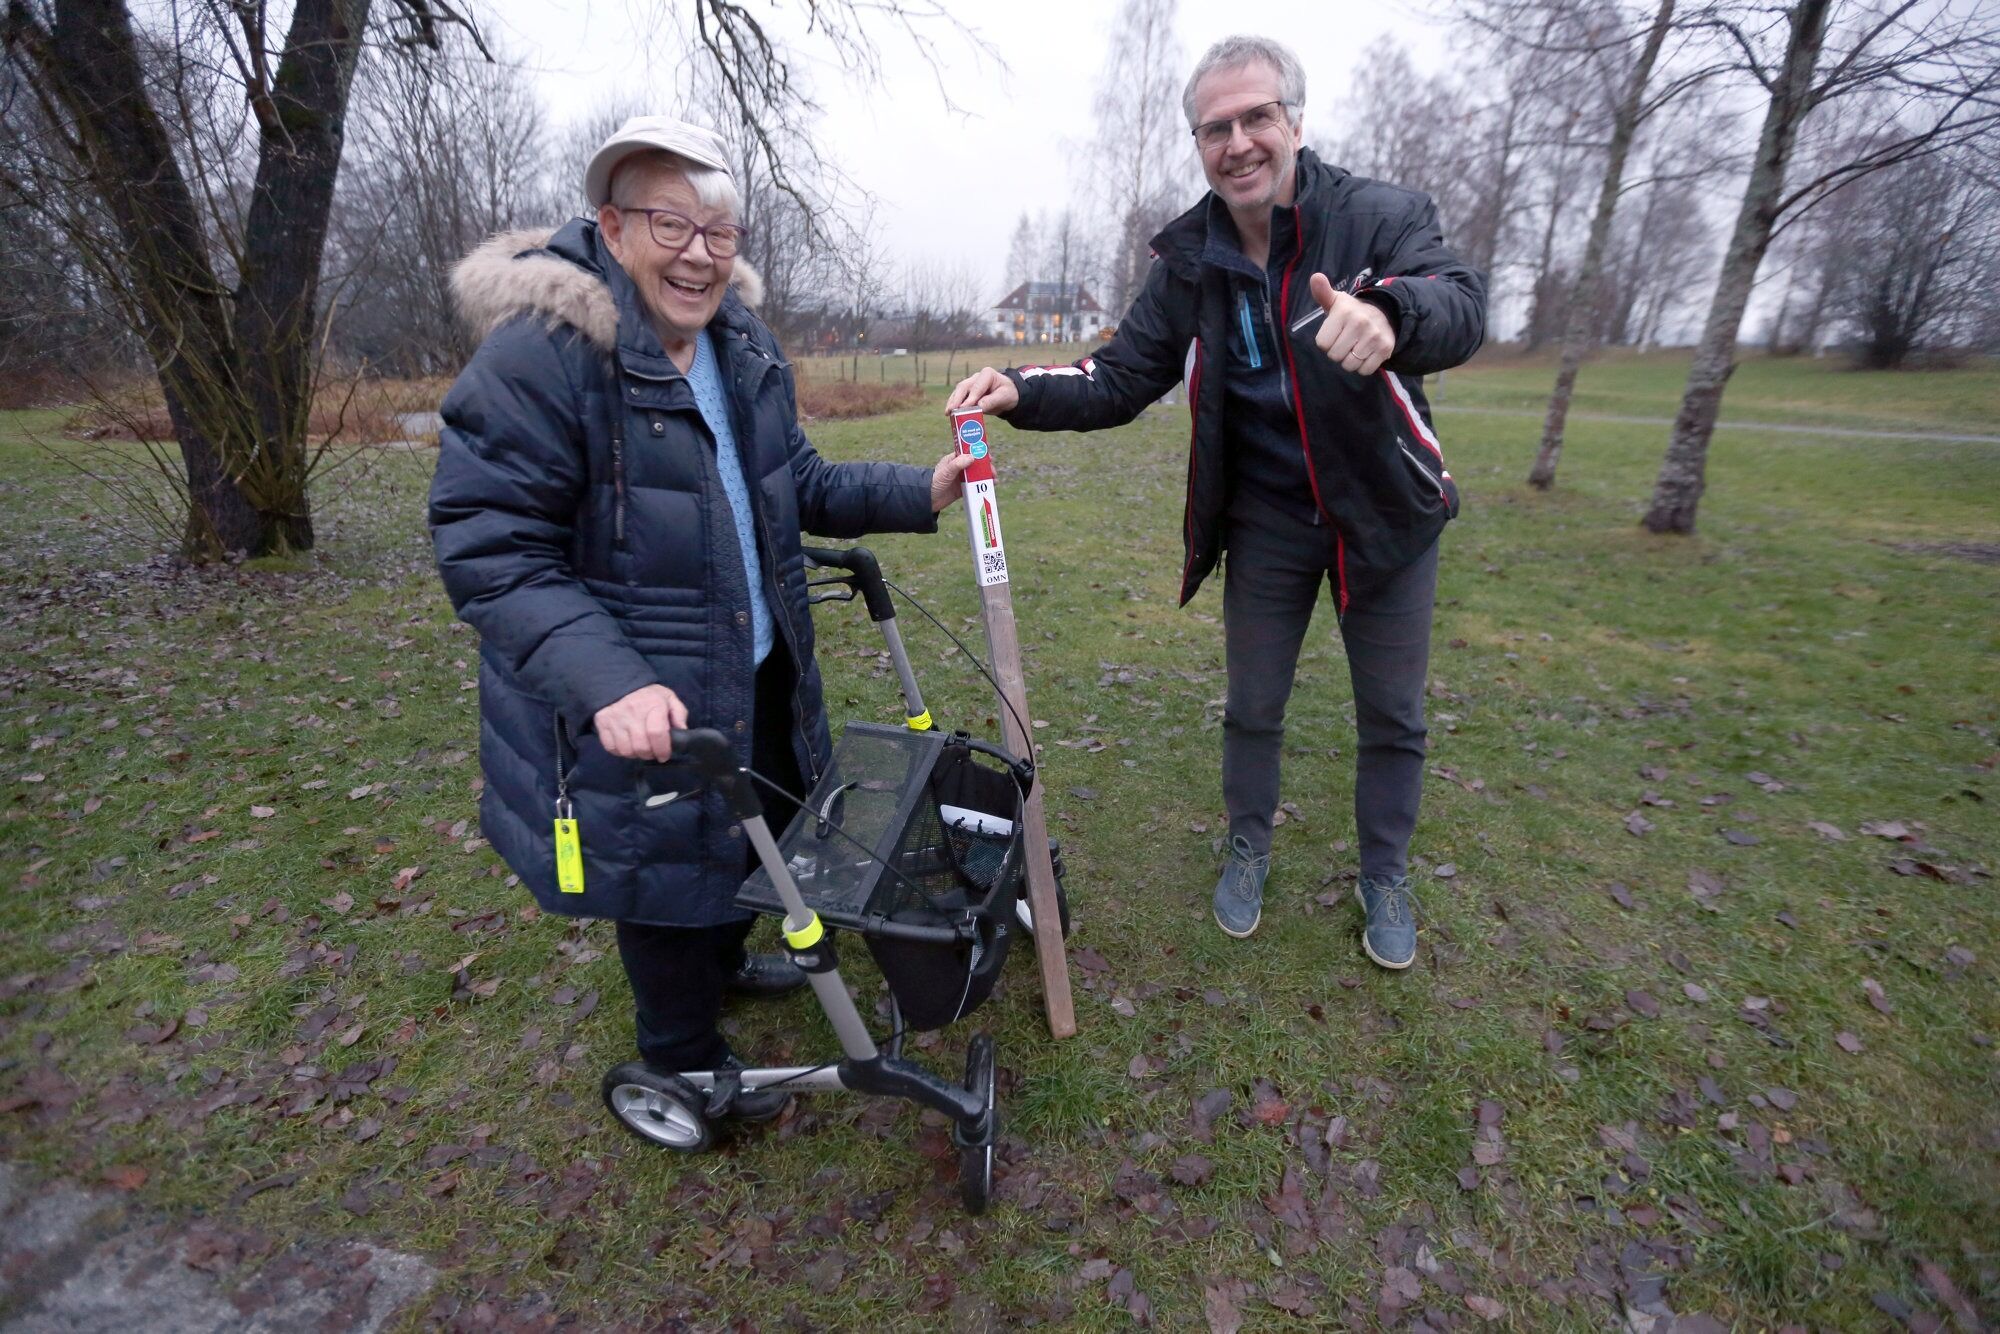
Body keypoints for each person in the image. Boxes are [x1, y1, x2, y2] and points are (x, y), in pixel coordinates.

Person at [431, 116, 974, 1121]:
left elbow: (792, 481)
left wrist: (920, 490)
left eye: (716, 230)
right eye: (668, 223)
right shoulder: (543, 358)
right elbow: (491, 546)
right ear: (610, 226)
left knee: (750, 830)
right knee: (664, 875)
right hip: (634, 693)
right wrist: (609, 680)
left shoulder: (740, 340)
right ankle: (677, 1058)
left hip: (751, 667)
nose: (697, 252)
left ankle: (723, 968)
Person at [948, 35, 1486, 969]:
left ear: (1294, 123)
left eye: (1256, 119)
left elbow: (1460, 301)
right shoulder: (1191, 257)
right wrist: (1023, 389)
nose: (1237, 143)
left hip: (1385, 515)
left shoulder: (1379, 216)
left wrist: (1392, 315)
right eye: (1215, 128)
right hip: (1269, 520)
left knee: (1393, 715)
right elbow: (1118, 377)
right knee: (1252, 706)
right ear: (1199, 142)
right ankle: (1249, 843)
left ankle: (1385, 871)